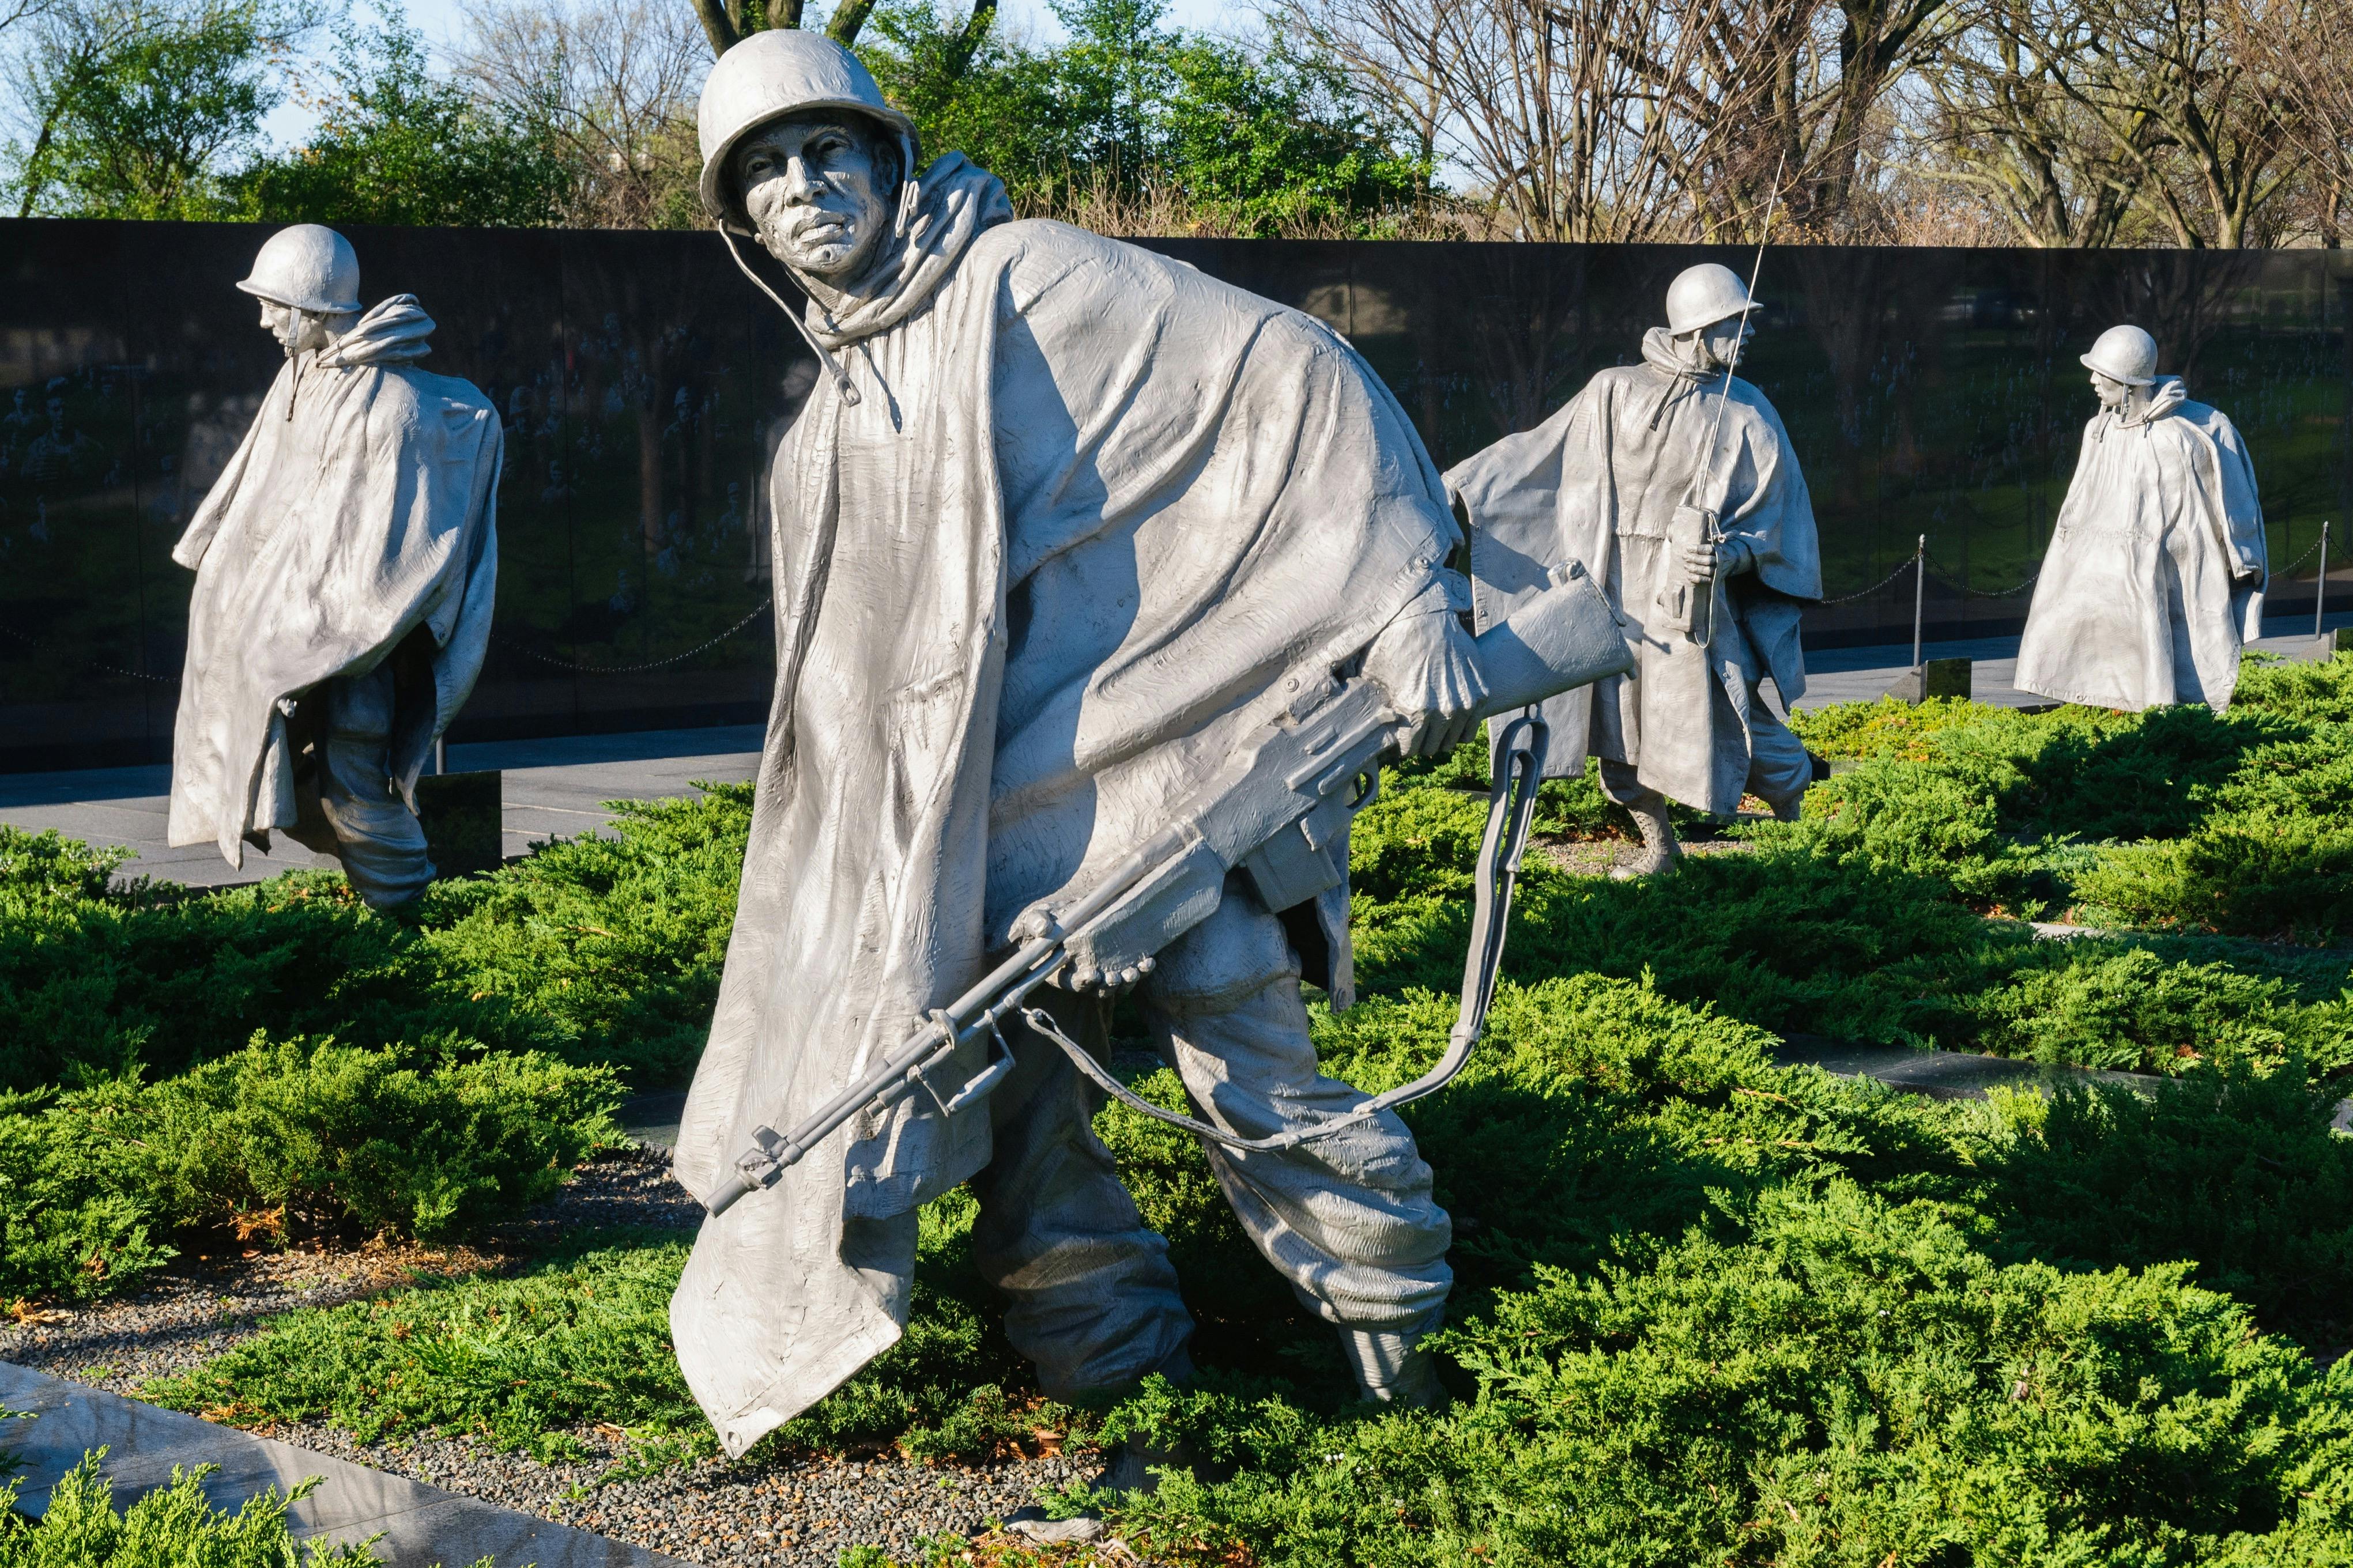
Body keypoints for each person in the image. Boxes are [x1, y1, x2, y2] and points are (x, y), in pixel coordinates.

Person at [667, 31, 1487, 1461]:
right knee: (1030, 1134)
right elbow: (849, 728)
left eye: (826, 151)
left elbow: (1295, 367)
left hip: (1174, 777)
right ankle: (1126, 1396)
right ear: (742, 228)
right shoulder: (827, 425)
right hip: (984, 844)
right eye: (766, 177)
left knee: (1260, 1080)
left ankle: (1406, 1378)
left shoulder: (1032, 277)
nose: (804, 189)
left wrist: (1413, 595)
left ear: (885, 156)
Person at [1446, 263, 1823, 877]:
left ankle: (1802, 835)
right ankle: (1661, 850)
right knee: (1617, 730)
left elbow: (1780, 522)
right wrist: (1459, 487)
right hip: (1613, 585)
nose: (1749, 331)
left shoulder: (1749, 411)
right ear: (1697, 331)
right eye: (1735, 320)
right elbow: (1538, 449)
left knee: (1730, 718)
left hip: (1688, 596)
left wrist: (1730, 555)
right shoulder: (1612, 391)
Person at [167, 224, 500, 909]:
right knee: (316, 792)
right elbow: (263, 503)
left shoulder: (392, 406)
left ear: (313, 307)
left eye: (273, 304)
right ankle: (394, 919)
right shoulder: (301, 378)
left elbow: (390, 559)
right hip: (292, 634)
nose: (262, 319)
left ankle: (411, 930)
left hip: (355, 652)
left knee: (352, 785)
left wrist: (303, 646)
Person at [2013, 324, 2266, 711]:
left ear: (2131, 384)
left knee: (2164, 650)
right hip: (2101, 572)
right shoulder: (2098, 431)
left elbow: (2226, 501)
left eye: (2105, 375)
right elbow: (2079, 501)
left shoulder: (2185, 435)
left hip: (2168, 569)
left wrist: (2242, 557)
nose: (2094, 381)